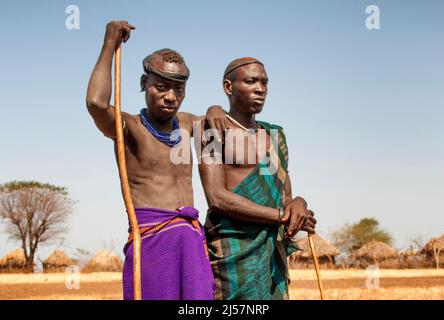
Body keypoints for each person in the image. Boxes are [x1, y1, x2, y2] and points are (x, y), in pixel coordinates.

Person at [86, 20, 225, 300]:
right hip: (152, 244)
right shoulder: (130, 128)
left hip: (190, 244)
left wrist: (215, 107)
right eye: (161, 87)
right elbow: (96, 104)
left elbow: (229, 130)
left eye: (179, 90)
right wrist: (109, 44)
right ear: (143, 84)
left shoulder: (187, 125)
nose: (171, 97)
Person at [199, 57, 317, 300]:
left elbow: (284, 195)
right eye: (251, 81)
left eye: (264, 82)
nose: (260, 88)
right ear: (228, 87)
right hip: (233, 254)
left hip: (271, 255)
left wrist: (299, 205)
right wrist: (280, 216)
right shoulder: (212, 129)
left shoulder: (275, 135)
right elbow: (217, 197)